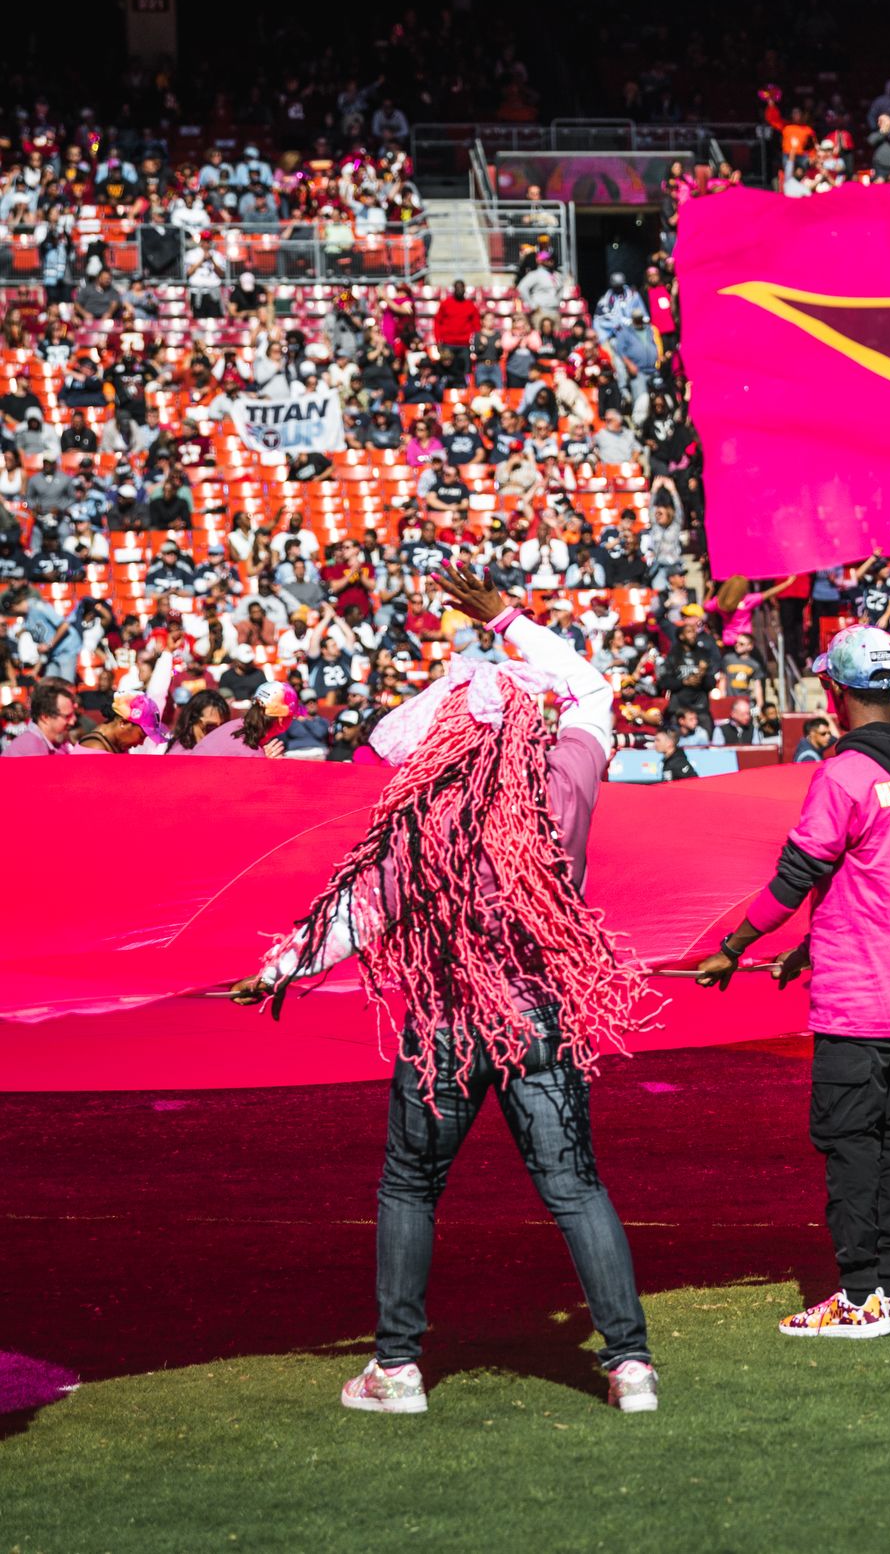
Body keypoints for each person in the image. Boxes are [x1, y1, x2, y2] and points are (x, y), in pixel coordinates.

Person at [226, 563, 662, 1416]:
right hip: (537, 1013)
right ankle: (631, 1365)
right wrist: (508, 620)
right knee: (575, 1186)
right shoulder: (566, 778)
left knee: (409, 1185)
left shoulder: (428, 816)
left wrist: (277, 968)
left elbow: (363, 909)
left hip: (450, 1020)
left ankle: (396, 1369)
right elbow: (591, 691)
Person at [695, 626, 890, 1341]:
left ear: (836, 694)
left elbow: (798, 872)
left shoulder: (842, 774)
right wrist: (812, 943)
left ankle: (859, 1294)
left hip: (861, 993)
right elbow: (885, 877)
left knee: (849, 1141)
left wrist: (734, 945)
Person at [3, 679, 78, 755]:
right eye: (67, 716)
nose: (73, 720)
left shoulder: (58, 740)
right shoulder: (31, 749)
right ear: (45, 717)